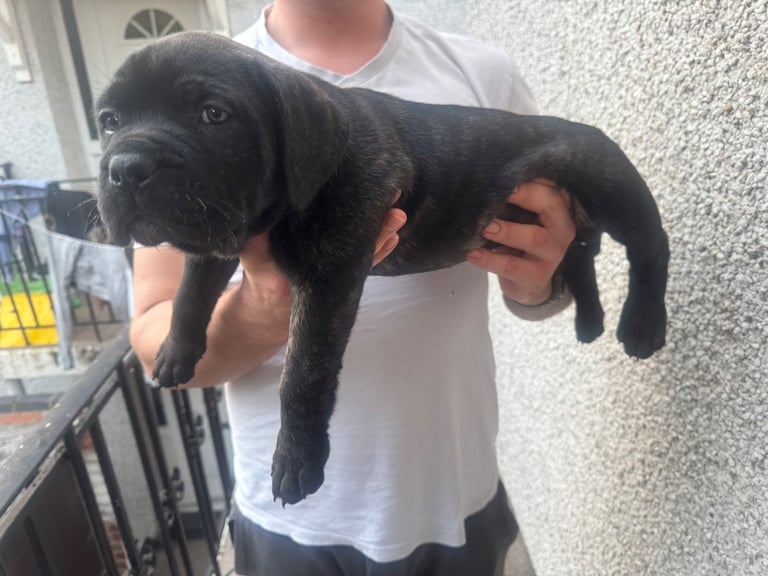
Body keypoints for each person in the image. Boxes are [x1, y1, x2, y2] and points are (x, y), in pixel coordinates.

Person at [130, 1, 576, 574]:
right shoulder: (179, 84)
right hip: (289, 519)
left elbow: (540, 291)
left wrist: (539, 282)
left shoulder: (482, 74)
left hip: (453, 493)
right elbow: (156, 345)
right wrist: (274, 301)